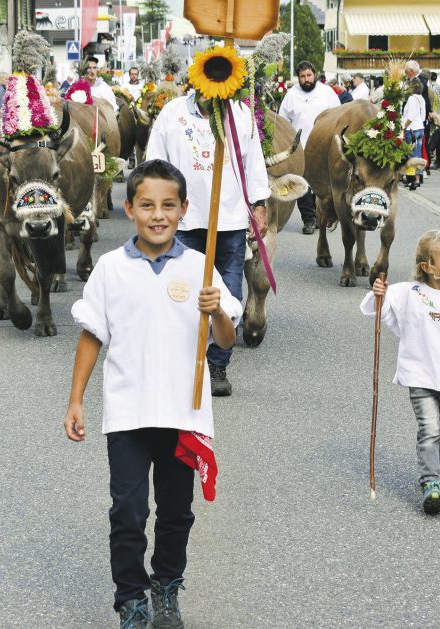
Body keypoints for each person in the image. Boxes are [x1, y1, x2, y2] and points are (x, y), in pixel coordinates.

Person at [65, 160, 241, 629]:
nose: (158, 215)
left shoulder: (201, 268)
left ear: (184, 209)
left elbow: (225, 341)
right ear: (129, 209)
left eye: (168, 205)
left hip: (184, 414)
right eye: (147, 205)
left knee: (176, 512)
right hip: (128, 412)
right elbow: (91, 336)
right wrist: (76, 399)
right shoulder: (110, 268)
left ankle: (166, 587)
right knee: (127, 510)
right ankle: (131, 598)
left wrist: (217, 309)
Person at [147, 88, 270, 397]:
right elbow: (154, 163)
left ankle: (217, 365)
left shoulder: (242, 115)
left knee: (226, 292)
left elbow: (255, 164)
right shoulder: (172, 113)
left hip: (229, 219)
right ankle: (183, 362)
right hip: (183, 219)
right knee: (179, 291)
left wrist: (258, 206)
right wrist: (154, 207)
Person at [360, 229, 440, 514]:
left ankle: (434, 468)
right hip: (419, 376)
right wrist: (379, 292)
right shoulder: (411, 293)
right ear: (428, 268)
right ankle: (431, 481)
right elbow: (380, 310)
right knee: (429, 430)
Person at [278, 60, 339, 233]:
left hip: (323, 148)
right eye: (303, 76)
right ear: (298, 78)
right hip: (300, 148)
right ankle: (309, 220)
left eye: (309, 75)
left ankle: (322, 216)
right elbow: (282, 121)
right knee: (303, 186)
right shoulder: (291, 95)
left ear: (315, 74)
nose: (306, 79)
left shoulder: (327, 92)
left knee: (320, 185)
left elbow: (337, 115)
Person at [402, 77, 426, 188]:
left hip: (411, 129)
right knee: (418, 154)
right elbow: (423, 116)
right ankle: (418, 178)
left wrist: (403, 127)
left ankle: (412, 179)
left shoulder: (412, 99)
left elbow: (410, 116)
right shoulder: (421, 98)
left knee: (411, 155)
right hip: (420, 128)